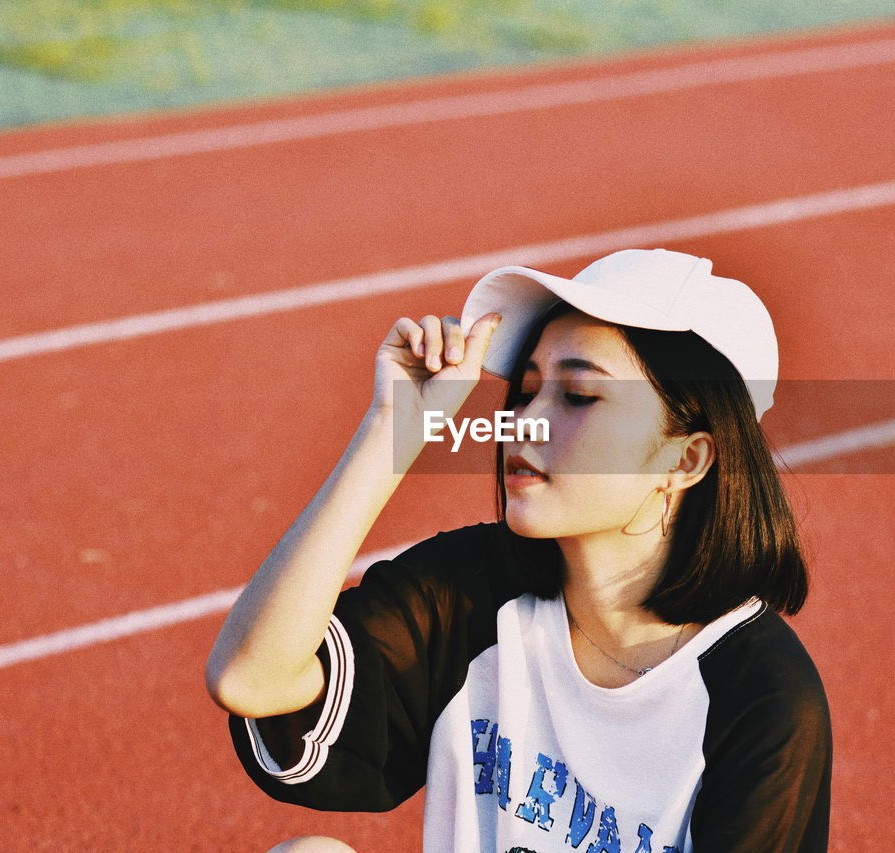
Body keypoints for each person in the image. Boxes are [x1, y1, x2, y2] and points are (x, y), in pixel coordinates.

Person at [205, 248, 832, 852]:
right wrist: (392, 428)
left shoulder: (760, 695)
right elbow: (251, 679)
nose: (523, 423)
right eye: (526, 393)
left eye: (579, 396)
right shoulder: (472, 593)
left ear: (686, 458)